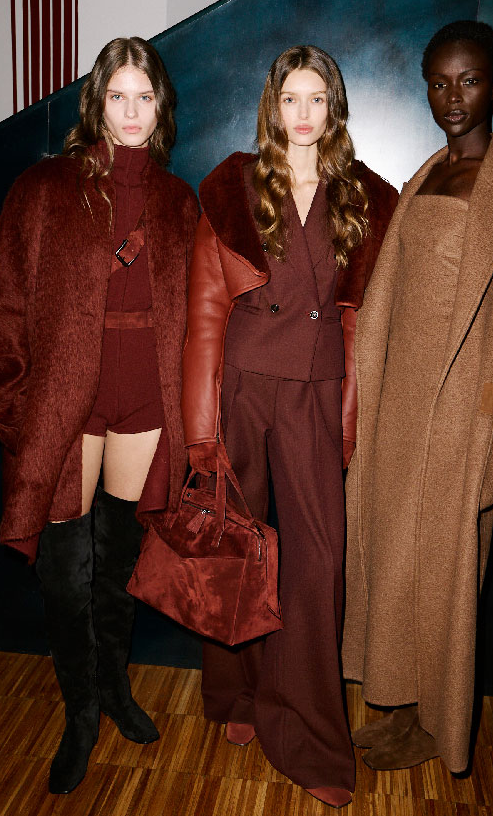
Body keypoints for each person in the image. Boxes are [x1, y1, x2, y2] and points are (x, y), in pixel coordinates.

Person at [343, 20, 493, 774]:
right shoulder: (423, 178)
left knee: (448, 582)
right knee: (393, 565)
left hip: (463, 422)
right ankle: (400, 703)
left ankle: (436, 725)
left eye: (469, 80)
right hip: (398, 408)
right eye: (439, 82)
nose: (453, 97)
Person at [0, 37, 199, 794]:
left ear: (161, 107)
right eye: (117, 95)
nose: (130, 111)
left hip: (146, 397)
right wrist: (17, 413)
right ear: (95, 102)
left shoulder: (178, 200)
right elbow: (1, 306)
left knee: (119, 563)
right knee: (66, 573)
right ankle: (81, 713)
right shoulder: (43, 188)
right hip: (68, 401)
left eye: (144, 96)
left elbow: (200, 316)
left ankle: (115, 686)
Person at [181, 45, 397, 808]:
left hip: (314, 389)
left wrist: (351, 417)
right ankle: (237, 691)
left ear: (335, 108)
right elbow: (207, 309)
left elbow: (361, 321)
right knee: (236, 542)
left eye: (317, 99)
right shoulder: (234, 184)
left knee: (316, 563)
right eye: (290, 98)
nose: (303, 114)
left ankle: (307, 731)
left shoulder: (367, 195)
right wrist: (200, 424)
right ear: (272, 106)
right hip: (243, 384)